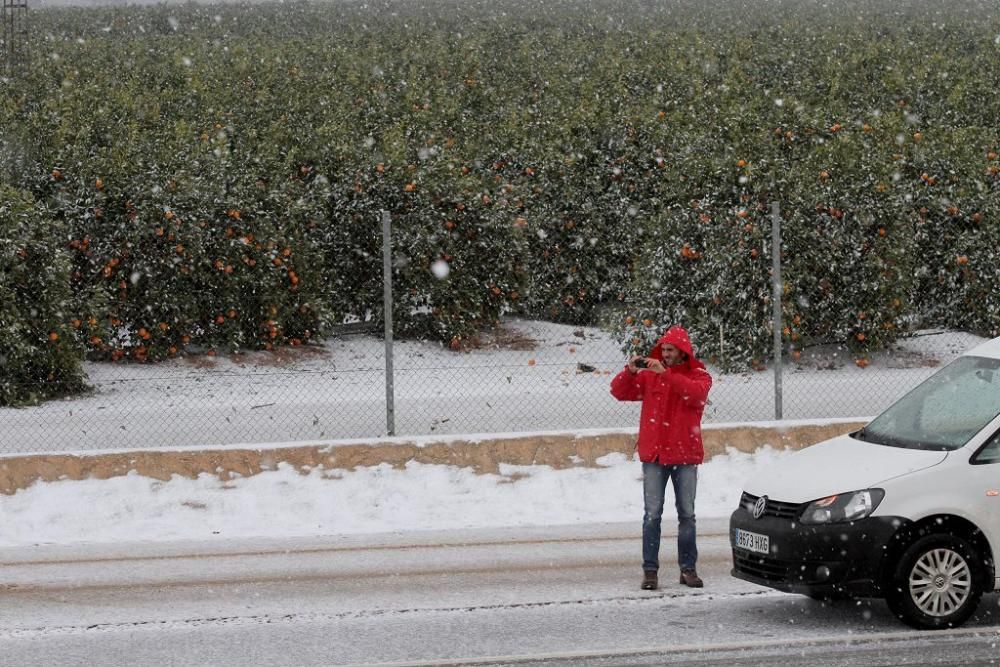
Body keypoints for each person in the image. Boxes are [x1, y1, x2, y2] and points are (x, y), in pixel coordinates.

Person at [610, 325, 713, 591]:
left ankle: (688, 569)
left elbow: (696, 395)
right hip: (655, 455)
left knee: (687, 515)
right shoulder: (649, 376)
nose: (665, 354)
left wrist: (666, 374)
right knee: (652, 515)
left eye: (671, 350)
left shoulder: (699, 375)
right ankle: (650, 571)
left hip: (685, 455)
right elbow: (619, 392)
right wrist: (631, 370)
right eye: (663, 350)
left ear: (682, 352)